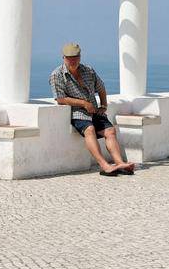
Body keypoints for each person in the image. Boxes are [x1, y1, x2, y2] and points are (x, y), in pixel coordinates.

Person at [49, 43, 134, 176]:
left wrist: (104, 105)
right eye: (69, 58)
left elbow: (101, 87)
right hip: (77, 112)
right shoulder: (57, 75)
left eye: (75, 57)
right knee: (90, 130)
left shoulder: (88, 70)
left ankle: (119, 163)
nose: (73, 60)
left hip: (94, 110)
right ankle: (104, 165)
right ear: (63, 58)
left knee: (110, 131)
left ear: (80, 56)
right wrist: (83, 103)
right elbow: (60, 99)